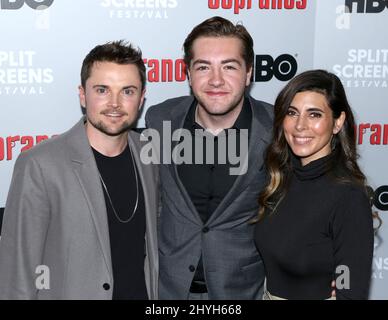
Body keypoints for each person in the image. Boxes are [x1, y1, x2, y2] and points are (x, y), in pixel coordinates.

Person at [0, 41, 159, 299]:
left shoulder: (150, 156)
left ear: (141, 98)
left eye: (127, 91)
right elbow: (18, 271)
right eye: (102, 90)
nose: (115, 103)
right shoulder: (39, 164)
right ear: (82, 95)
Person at [145, 16, 273, 299]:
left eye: (229, 66)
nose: (216, 80)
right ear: (188, 73)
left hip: (240, 291)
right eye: (203, 67)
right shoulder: (160, 119)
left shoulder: (277, 129)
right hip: (167, 289)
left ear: (249, 72)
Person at [254, 69, 374, 300]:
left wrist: (342, 287)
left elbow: (350, 289)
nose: (300, 126)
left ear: (338, 122)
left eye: (314, 114)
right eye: (292, 112)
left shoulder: (347, 196)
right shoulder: (280, 178)